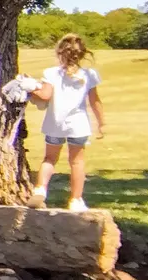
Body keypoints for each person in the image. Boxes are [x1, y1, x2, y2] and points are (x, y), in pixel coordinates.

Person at [31, 34, 106, 212]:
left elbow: (45, 96)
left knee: (49, 158)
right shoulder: (89, 75)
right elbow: (95, 100)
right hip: (78, 125)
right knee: (77, 162)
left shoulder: (51, 73)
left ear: (59, 53)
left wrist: (31, 89)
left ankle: (40, 189)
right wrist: (101, 122)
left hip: (55, 124)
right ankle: (76, 199)